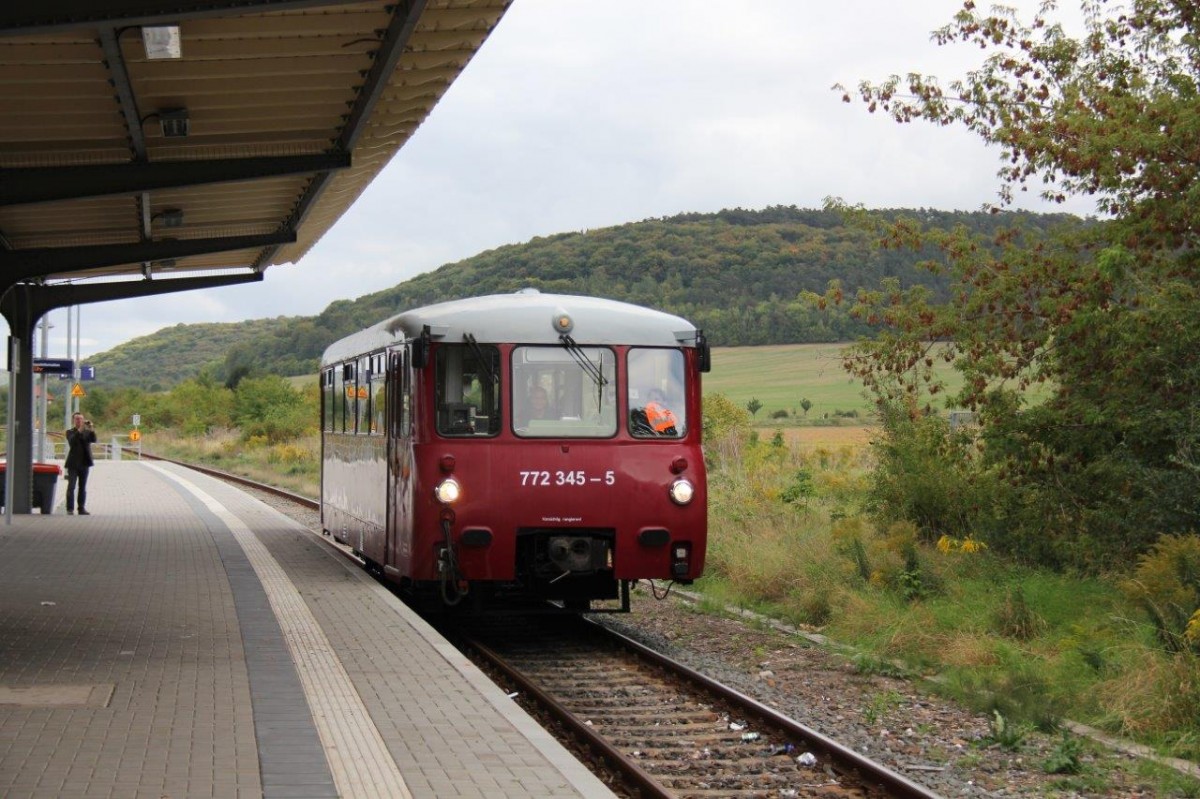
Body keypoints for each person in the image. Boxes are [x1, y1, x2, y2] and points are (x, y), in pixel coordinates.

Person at [64, 412, 97, 515]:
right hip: (73, 464)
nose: (79, 421)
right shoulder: (70, 432)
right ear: (74, 421)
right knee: (71, 486)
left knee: (82, 487)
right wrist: (80, 429)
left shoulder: (87, 432)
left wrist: (91, 428)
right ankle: (70, 509)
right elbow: (72, 441)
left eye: (81, 419)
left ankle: (81, 508)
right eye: (77, 419)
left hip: (84, 463)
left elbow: (94, 439)